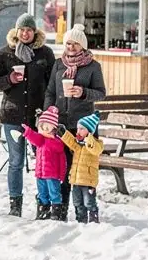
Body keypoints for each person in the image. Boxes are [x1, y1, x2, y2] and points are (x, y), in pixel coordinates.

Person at [0, 12, 56, 216]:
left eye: (29, 30)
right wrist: (9, 79)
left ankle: (44, 203)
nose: (26, 33)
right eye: (22, 30)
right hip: (12, 115)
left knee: (43, 162)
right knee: (16, 162)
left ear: (34, 32)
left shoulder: (45, 54)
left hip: (39, 119)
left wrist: (48, 110)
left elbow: (51, 86)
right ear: (16, 31)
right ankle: (15, 205)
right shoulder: (5, 53)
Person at [43, 25, 106, 218]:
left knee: (82, 168)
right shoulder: (58, 64)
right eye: (68, 43)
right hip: (61, 125)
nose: (70, 47)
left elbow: (101, 94)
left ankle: (86, 210)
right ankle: (60, 209)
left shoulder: (93, 66)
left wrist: (83, 92)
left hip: (83, 125)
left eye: (75, 43)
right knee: (62, 168)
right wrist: (49, 112)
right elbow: (51, 92)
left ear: (82, 46)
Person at [22, 106, 67, 220]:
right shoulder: (41, 140)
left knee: (54, 192)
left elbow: (62, 161)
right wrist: (28, 132)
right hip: (40, 173)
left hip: (52, 174)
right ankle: (43, 210)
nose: (43, 129)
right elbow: (34, 137)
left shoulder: (56, 143)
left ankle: (56, 211)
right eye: (41, 126)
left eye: (46, 126)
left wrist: (62, 175)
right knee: (42, 193)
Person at [58, 113, 104, 223]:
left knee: (89, 202)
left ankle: (93, 219)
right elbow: (71, 141)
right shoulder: (78, 145)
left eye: (81, 129)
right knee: (77, 202)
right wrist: (63, 133)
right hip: (76, 180)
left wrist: (88, 139)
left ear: (89, 131)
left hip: (88, 182)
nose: (78, 131)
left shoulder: (96, 144)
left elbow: (95, 150)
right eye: (78, 128)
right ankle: (81, 219)